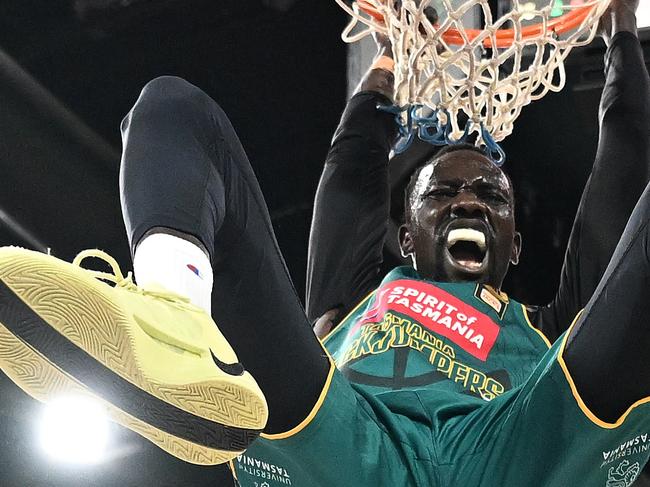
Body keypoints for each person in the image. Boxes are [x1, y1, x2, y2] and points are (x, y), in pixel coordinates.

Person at [0, 0, 646, 485]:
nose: (469, 200)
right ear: (404, 232)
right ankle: (174, 325)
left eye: (491, 196)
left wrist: (621, 31)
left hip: (516, 448)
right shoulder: (356, 301)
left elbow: (624, 159)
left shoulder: (550, 328)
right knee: (172, 107)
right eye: (442, 195)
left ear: (515, 247)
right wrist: (391, 59)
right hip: (342, 438)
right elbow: (347, 173)